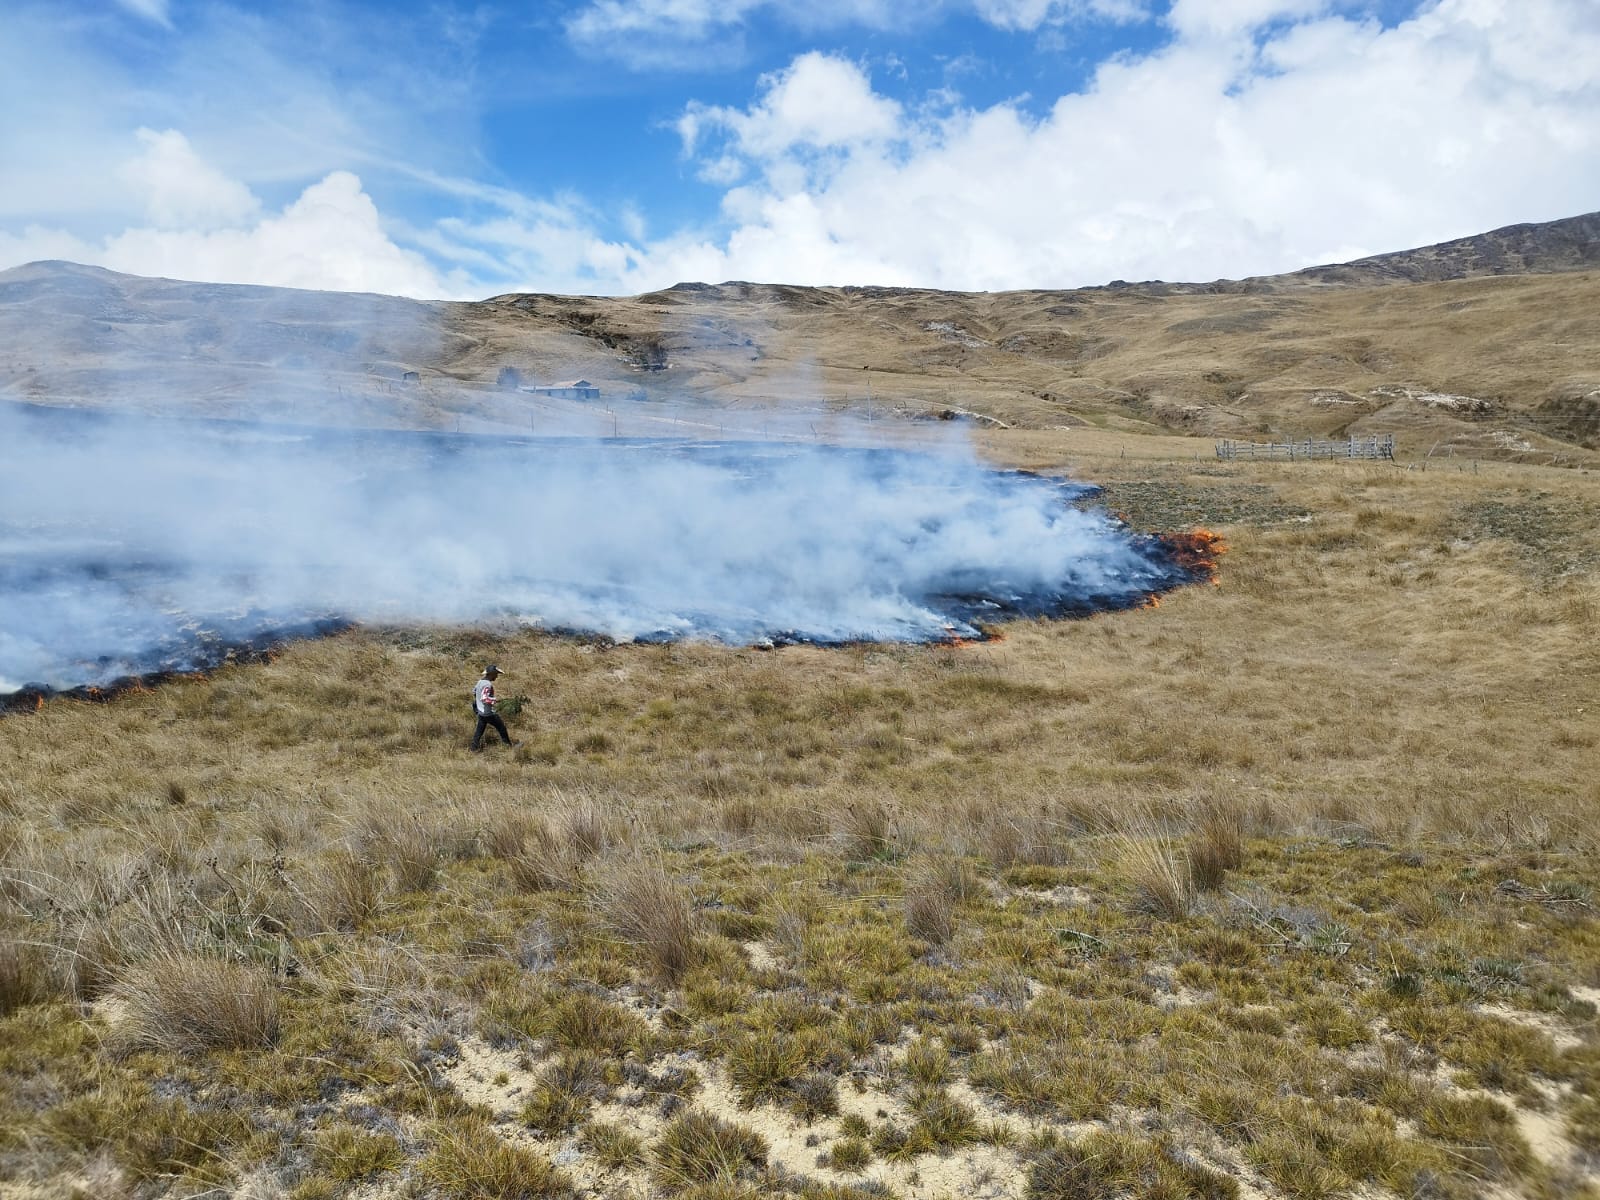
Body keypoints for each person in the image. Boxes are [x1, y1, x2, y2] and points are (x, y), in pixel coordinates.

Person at [470, 664, 518, 751]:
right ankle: (508, 747)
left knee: (479, 732)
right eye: (496, 674)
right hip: (489, 713)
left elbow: (474, 691)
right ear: (491, 674)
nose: (496, 676)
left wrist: (478, 703)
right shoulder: (487, 684)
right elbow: (485, 698)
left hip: (481, 713)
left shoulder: (480, 682)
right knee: (501, 728)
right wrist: (495, 700)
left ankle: (473, 748)